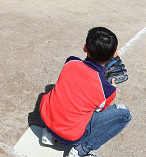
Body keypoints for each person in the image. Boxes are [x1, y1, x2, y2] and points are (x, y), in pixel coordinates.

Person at [40, 27, 131, 157]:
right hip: (71, 137)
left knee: (55, 92)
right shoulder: (108, 90)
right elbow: (98, 111)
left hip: (47, 120)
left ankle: (48, 132)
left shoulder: (70, 62)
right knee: (124, 114)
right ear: (114, 54)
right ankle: (81, 150)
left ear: (85, 48)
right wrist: (111, 87)